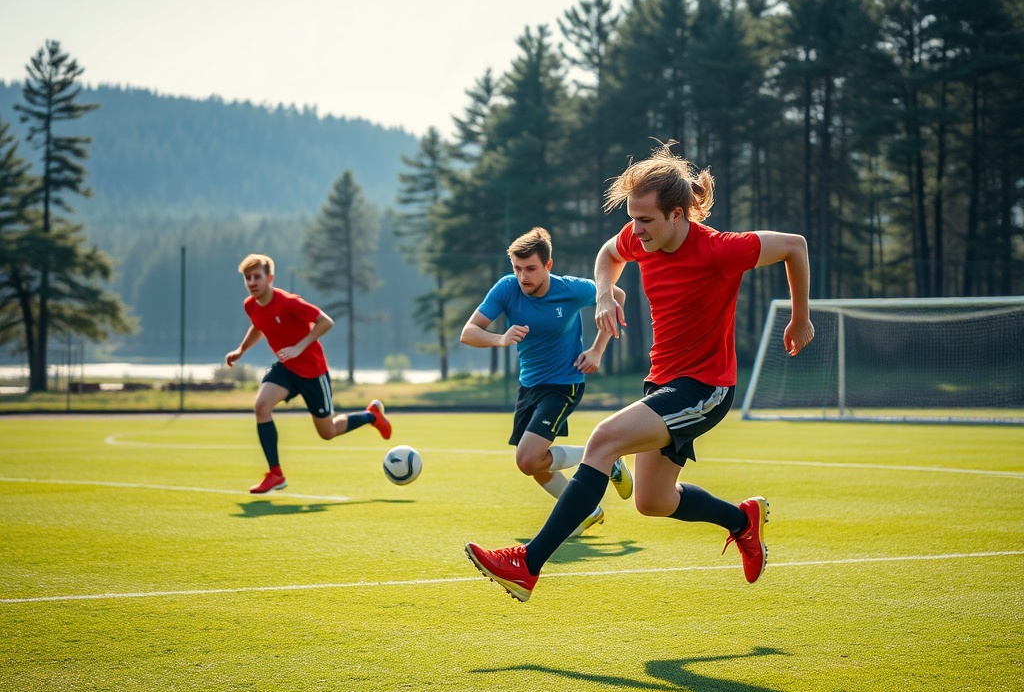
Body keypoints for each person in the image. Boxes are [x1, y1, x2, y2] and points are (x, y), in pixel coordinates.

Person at [466, 142, 814, 601]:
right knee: (653, 501)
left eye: (645, 219)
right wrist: (605, 294)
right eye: (631, 218)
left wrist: (800, 317)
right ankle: (741, 520)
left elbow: (795, 246)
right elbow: (607, 256)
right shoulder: (638, 239)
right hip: (664, 383)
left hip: (705, 388)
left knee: (603, 440)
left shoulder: (720, 249)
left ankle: (527, 565)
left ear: (677, 214)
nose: (636, 229)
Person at [460, 227, 632, 537]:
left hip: (564, 383)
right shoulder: (506, 289)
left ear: (548, 266)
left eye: (530, 268)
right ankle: (587, 510)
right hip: (529, 386)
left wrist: (597, 350)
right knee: (535, 464)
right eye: (517, 268)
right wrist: (500, 339)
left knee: (527, 459)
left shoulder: (572, 289)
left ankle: (606, 456)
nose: (522, 276)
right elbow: (468, 332)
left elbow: (615, 295)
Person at [225, 253, 392, 494]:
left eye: (257, 277)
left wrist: (299, 347)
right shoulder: (250, 305)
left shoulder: (289, 302)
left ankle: (371, 416)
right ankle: (276, 474)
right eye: (248, 278)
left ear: (270, 278)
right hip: (286, 369)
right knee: (261, 406)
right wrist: (241, 350)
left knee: (328, 432)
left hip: (313, 373)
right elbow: (258, 325)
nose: (252, 282)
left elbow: (326, 321)